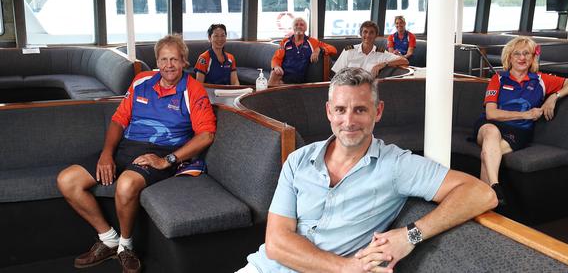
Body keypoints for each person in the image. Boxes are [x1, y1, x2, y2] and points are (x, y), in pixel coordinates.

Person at [238, 67, 497, 273]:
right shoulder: (298, 160)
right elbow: (276, 243)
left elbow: (482, 194)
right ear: (329, 112)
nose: (348, 121)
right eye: (340, 110)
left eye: (360, 110)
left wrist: (410, 236)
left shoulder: (396, 165)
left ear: (378, 111)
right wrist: (346, 268)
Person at [56, 34, 217, 273]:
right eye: (163, 59)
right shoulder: (141, 80)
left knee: (126, 183)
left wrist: (167, 160)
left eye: (174, 59)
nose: (168, 65)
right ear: (157, 61)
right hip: (126, 147)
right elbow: (118, 121)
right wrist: (107, 154)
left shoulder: (193, 90)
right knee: (67, 181)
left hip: (161, 152)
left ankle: (125, 246)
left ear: (184, 61)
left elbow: (206, 135)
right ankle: (109, 239)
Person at [474, 36, 568, 205]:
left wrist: (554, 96)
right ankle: (495, 186)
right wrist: (526, 115)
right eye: (516, 54)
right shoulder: (499, 79)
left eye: (526, 53)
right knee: (491, 132)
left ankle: (482, 205)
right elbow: (491, 114)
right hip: (489, 126)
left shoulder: (540, 80)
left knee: (487, 155)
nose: (522, 58)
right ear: (509, 57)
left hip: (518, 132)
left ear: (533, 57)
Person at [331, 21, 408, 78]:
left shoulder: (381, 53)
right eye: (365, 32)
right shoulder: (349, 51)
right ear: (361, 34)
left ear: (376, 36)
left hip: (369, 92)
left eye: (371, 32)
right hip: (349, 88)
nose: (368, 35)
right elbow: (336, 74)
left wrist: (383, 64)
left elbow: (404, 60)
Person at [269, 17, 322, 86]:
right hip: (283, 75)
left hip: (300, 78)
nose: (299, 26)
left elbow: (333, 49)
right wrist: (276, 67)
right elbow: (277, 58)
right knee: (274, 73)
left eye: (301, 25)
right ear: (293, 28)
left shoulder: (312, 41)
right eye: (296, 25)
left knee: (274, 87)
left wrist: (318, 50)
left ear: (305, 28)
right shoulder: (285, 42)